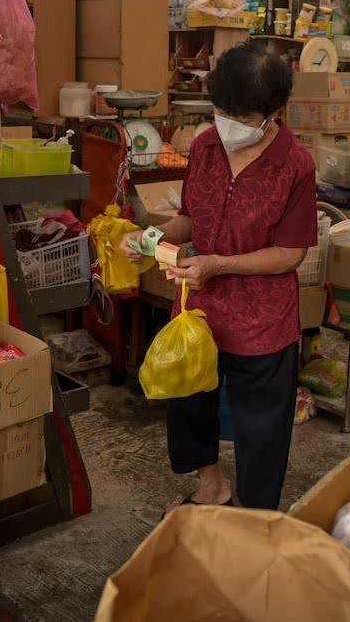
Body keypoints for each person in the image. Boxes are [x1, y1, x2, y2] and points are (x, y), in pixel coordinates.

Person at [122, 42, 317, 511]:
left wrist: (218, 264)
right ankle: (212, 486)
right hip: (200, 310)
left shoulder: (295, 165)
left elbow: (290, 253)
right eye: (221, 110)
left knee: (261, 430)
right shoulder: (206, 146)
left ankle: (254, 518)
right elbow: (192, 219)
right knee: (191, 405)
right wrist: (152, 237)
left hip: (262, 321)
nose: (228, 124)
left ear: (273, 112)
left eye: (243, 117)